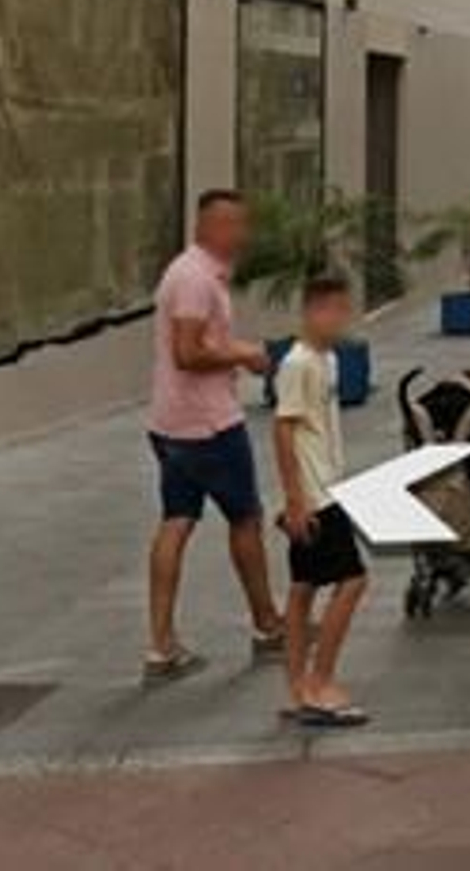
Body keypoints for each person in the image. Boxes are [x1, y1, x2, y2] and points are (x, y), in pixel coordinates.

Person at [144, 190, 284, 685]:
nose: (243, 235)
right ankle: (268, 624)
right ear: (212, 227)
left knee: (177, 519)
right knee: (245, 517)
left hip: (170, 420)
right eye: (236, 225)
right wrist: (243, 354)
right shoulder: (196, 279)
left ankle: (161, 645)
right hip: (207, 422)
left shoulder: (190, 273)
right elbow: (187, 352)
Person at [273, 271, 370, 728]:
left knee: (303, 588)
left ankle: (298, 687)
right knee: (352, 581)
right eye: (336, 310)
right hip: (316, 497)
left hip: (327, 486)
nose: (342, 320)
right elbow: (283, 430)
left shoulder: (325, 359)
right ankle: (320, 680)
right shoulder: (298, 364)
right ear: (314, 310)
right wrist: (295, 500)